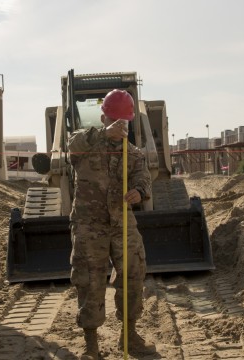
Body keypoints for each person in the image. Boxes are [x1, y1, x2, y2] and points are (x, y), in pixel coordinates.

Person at [67, 89, 156, 359]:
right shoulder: (85, 142)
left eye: (123, 122)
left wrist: (139, 192)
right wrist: (104, 135)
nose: (119, 126)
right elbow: (72, 144)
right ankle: (91, 344)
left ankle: (128, 334)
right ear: (103, 117)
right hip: (89, 225)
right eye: (113, 121)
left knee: (133, 273)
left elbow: (144, 178)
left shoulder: (134, 153)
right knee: (90, 280)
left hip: (122, 222)